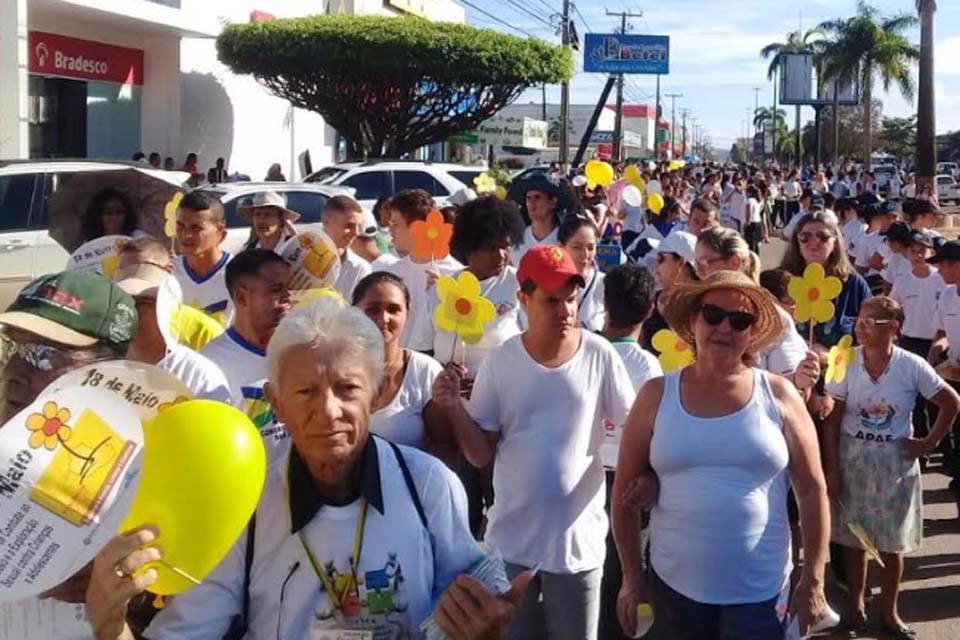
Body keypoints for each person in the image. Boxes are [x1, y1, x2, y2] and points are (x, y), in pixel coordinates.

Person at [85, 298, 530, 640]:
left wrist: (490, 621)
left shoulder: (427, 484)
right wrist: (111, 628)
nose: (329, 410)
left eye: (346, 388)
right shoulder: (246, 503)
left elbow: (471, 596)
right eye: (305, 392)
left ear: (377, 394)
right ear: (276, 403)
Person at [613, 271, 830, 640]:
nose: (724, 328)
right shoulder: (655, 395)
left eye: (739, 320)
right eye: (713, 315)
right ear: (694, 319)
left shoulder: (780, 395)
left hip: (761, 595)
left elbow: (812, 490)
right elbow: (623, 492)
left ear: (752, 331)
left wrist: (813, 579)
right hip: (674, 594)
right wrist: (632, 578)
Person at [433, 245, 636, 640]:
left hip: (578, 548)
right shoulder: (501, 361)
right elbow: (480, 455)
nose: (565, 311)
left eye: (571, 299)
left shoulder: (600, 355)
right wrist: (454, 408)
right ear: (523, 300)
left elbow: (633, 427)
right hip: (512, 546)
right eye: (551, 301)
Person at [823, 296, 960, 638]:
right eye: (860, 321)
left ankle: (889, 613)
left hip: (894, 462)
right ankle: (855, 608)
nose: (861, 328)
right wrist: (832, 468)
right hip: (853, 458)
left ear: (894, 328)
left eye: (872, 323)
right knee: (854, 539)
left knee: (891, 542)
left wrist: (927, 443)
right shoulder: (846, 360)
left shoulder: (911, 365)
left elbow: (950, 401)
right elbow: (832, 419)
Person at [0, 271, 137, 603]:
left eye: (42, 355)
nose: (14, 370)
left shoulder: (138, 472)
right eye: (12, 347)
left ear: (107, 369)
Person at [597, 263, 662, 640]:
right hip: (629, 482)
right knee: (623, 573)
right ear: (651, 309)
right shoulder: (648, 366)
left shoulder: (582, 350)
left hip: (583, 477)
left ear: (604, 303)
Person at [694, 226, 818, 391]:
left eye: (704, 263)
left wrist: (797, 380)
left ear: (734, 263)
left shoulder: (774, 319)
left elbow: (790, 388)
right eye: (696, 264)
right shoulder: (696, 311)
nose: (698, 272)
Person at [201, 249, 292, 459]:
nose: (288, 297)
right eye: (276, 289)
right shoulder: (210, 365)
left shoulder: (302, 352)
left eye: (289, 287)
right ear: (242, 297)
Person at [428, 195, 526, 376]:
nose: (501, 255)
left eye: (506, 246)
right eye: (491, 248)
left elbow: (533, 339)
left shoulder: (519, 283)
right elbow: (424, 347)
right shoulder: (440, 290)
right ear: (470, 248)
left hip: (505, 383)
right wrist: (445, 370)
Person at [351, 272, 446, 451]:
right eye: (373, 309)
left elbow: (443, 446)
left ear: (407, 314)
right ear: (354, 313)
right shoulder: (334, 368)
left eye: (393, 310)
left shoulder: (425, 371)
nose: (383, 319)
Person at [114, 259, 230, 402]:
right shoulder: (105, 368)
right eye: (123, 303)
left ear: (165, 309)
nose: (131, 312)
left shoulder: (199, 375)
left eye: (143, 304)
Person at [381, 189, 462, 352]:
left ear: (416, 228)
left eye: (396, 224)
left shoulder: (456, 273)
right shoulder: (390, 274)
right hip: (397, 360)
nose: (390, 230)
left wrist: (441, 295)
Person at [781, 212, 871, 350]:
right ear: (797, 242)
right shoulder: (781, 281)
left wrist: (831, 356)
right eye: (805, 237)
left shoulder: (854, 284)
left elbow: (871, 339)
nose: (813, 243)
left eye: (822, 237)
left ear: (835, 242)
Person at [890, 231, 946, 443]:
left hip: (937, 344)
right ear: (907, 254)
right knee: (914, 396)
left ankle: (940, 442)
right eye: (913, 251)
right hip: (910, 342)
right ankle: (919, 441)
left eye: (922, 251)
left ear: (931, 252)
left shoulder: (941, 280)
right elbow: (893, 308)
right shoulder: (903, 281)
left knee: (936, 395)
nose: (918, 256)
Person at [172, 191, 233, 325]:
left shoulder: (238, 275)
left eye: (196, 228)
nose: (186, 235)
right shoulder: (168, 273)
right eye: (180, 226)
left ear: (220, 231)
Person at [640, 231, 698, 356]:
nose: (656, 268)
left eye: (661, 259)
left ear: (681, 263)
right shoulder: (652, 300)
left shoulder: (704, 309)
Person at [558, 215, 606, 332]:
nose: (585, 254)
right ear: (561, 247)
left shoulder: (605, 283)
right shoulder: (548, 283)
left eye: (590, 248)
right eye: (577, 247)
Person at [323, 195, 371, 302]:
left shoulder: (360, 268)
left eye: (359, 226)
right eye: (349, 226)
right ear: (326, 223)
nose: (356, 233)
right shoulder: (300, 259)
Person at [515, 177, 564, 264]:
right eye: (528, 198)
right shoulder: (517, 239)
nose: (531, 203)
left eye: (537, 197)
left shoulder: (565, 239)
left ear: (553, 202)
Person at [743, 184, 766, 253]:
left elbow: (749, 212)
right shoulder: (758, 200)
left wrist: (747, 223)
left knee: (750, 243)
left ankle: (752, 256)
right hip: (758, 222)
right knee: (756, 243)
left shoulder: (749, 200)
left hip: (752, 223)